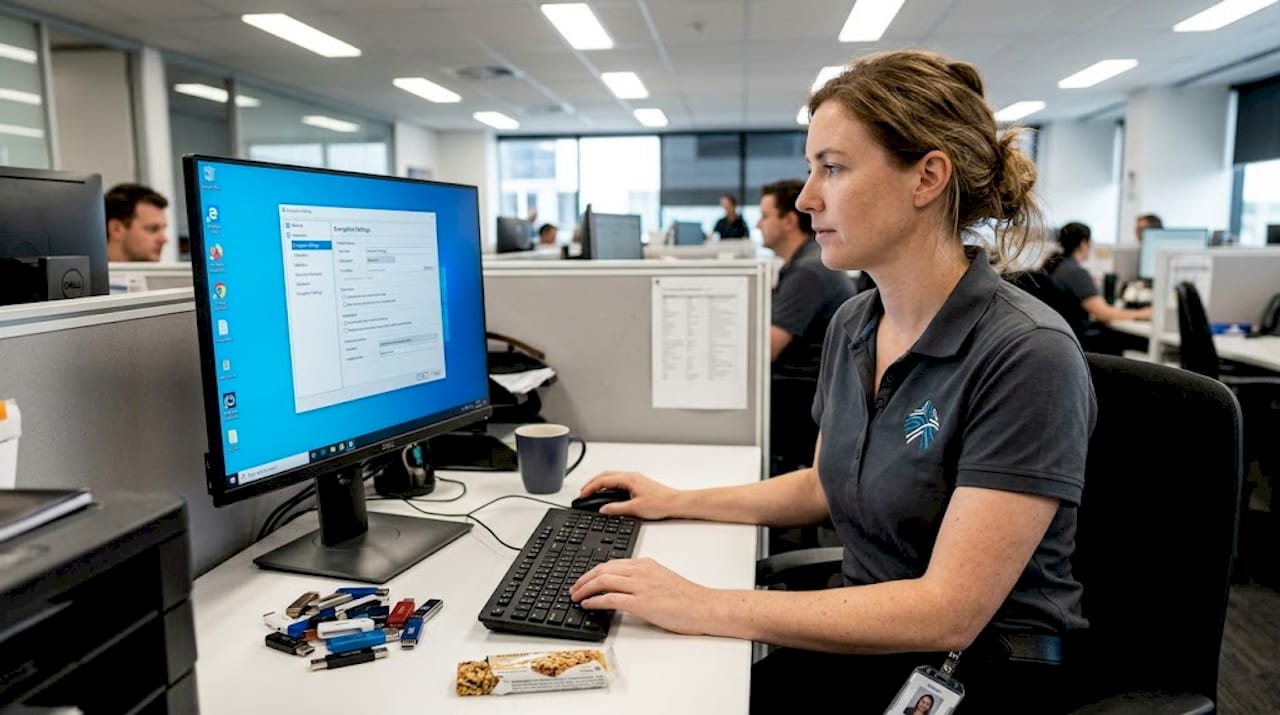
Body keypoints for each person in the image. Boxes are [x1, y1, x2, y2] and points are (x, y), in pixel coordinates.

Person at [569, 50, 1095, 713]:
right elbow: (821, 483)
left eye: (834, 168)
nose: (808, 196)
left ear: (927, 177)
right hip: (868, 643)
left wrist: (706, 604)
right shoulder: (855, 321)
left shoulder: (1026, 353)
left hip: (980, 673)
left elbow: (950, 611)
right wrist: (676, 498)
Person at [758, 178, 856, 476]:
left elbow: (768, 349)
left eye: (765, 215)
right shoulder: (805, 264)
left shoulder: (808, 273)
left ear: (788, 221)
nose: (758, 224)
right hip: (811, 394)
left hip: (801, 403)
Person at [1043, 221, 1152, 351]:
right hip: (1079, 341)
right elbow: (1103, 313)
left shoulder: (1056, 266)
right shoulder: (1076, 272)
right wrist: (1143, 313)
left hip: (1063, 338)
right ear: (1083, 244)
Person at [105, 183, 169, 262]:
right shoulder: (89, 273)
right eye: (153, 229)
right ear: (116, 229)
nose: (164, 239)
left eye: (163, 229)